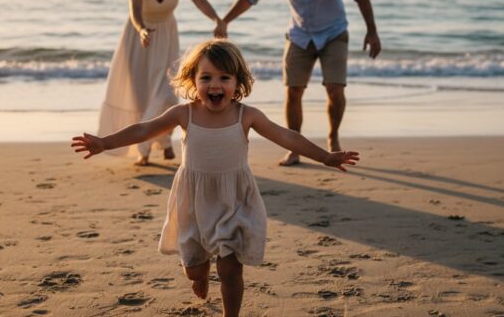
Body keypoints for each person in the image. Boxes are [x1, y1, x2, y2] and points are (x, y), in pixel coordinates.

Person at [73, 39, 360, 317]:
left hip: (233, 200)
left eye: (224, 78)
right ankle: (200, 277)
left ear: (238, 83)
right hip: (194, 202)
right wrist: (105, 143)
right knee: (194, 269)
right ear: (193, 81)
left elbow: (286, 136)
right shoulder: (184, 114)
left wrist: (325, 156)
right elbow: (143, 130)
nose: (215, 85)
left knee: (231, 269)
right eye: (206, 77)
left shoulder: (246, 116)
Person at [214, 0, 382, 167]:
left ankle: (333, 139)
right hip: (300, 35)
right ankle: (294, 149)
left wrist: (372, 31)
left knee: (335, 90)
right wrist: (226, 20)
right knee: (293, 91)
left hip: (333, 33)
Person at [98, 0, 225, 166]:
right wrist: (142, 29)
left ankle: (153, 146)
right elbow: (134, 10)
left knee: (167, 93)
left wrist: (217, 20)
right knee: (141, 95)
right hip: (139, 38)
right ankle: (156, 146)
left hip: (167, 37)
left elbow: (200, 0)